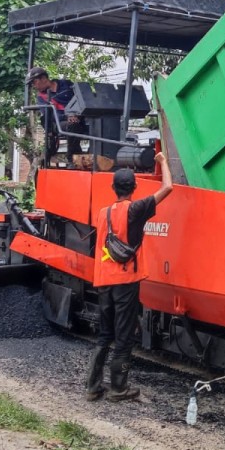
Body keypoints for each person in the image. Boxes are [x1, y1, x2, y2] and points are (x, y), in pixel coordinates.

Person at [86, 152, 174, 402]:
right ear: (134, 187)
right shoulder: (135, 209)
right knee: (124, 336)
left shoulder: (104, 213)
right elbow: (168, 187)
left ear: (113, 188)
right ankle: (118, 389)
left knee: (104, 334)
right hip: (125, 282)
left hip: (104, 281)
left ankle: (92, 387)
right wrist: (163, 162)